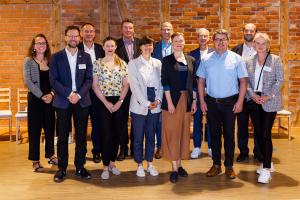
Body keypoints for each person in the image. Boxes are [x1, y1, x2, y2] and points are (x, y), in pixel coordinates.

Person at [197, 29, 248, 179]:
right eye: (217, 39)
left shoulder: (236, 59)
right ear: (213, 41)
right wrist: (201, 101)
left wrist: (240, 101)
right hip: (212, 102)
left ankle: (229, 166)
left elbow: (243, 81)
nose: (220, 42)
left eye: (223, 39)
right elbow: (201, 81)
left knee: (229, 136)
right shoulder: (206, 59)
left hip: (230, 103)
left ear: (228, 41)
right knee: (214, 135)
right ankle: (216, 165)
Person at [50, 25, 93, 183]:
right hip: (63, 100)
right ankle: (61, 168)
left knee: (81, 136)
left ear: (79, 38)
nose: (73, 39)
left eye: (76, 36)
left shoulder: (86, 57)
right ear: (65, 37)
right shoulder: (56, 57)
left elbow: (89, 79)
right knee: (62, 137)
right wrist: (69, 94)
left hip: (82, 101)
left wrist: (79, 94)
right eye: (70, 36)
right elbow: (53, 80)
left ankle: (80, 167)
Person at [245, 33, 283, 183]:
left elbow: (280, 80)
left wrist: (269, 96)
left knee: (266, 133)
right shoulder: (248, 61)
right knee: (259, 133)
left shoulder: (275, 60)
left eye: (263, 43)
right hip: (254, 100)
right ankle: (267, 161)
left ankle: (266, 169)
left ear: (268, 45)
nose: (260, 46)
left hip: (269, 101)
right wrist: (252, 94)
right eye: (258, 43)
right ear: (254, 44)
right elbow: (245, 81)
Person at [161, 32, 197, 183]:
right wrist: (169, 102)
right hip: (172, 102)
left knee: (183, 133)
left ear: (184, 42)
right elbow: (165, 82)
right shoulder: (167, 60)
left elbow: (194, 83)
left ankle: (180, 165)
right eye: (176, 41)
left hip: (186, 101)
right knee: (172, 134)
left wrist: (194, 101)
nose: (179, 43)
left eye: (181, 41)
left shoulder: (191, 59)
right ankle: (174, 168)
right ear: (172, 42)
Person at [93, 36, 129, 180]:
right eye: (107, 45)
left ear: (115, 47)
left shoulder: (122, 63)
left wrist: (120, 101)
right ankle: (105, 165)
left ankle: (113, 163)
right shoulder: (97, 63)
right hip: (102, 101)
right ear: (103, 47)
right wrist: (106, 103)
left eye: (112, 46)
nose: (110, 48)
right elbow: (95, 85)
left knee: (116, 133)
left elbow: (126, 84)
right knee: (105, 133)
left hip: (119, 101)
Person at [128, 36, 163, 177]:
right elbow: (134, 87)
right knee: (138, 136)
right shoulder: (133, 63)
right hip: (139, 104)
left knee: (151, 136)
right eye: (145, 46)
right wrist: (147, 103)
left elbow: (161, 84)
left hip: (155, 104)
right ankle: (139, 165)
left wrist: (158, 101)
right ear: (140, 48)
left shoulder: (158, 63)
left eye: (150, 45)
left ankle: (150, 163)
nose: (148, 48)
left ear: (152, 48)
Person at [23, 33, 57, 172]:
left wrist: (52, 94)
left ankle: (51, 155)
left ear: (46, 46)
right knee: (34, 131)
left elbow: (56, 80)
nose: (41, 45)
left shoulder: (51, 61)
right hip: (35, 101)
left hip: (50, 100)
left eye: (43, 43)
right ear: (34, 46)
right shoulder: (28, 61)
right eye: (38, 43)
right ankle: (35, 160)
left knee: (50, 129)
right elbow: (28, 81)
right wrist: (42, 95)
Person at [232, 23, 263, 163]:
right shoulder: (235, 50)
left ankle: (258, 152)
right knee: (242, 126)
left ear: (256, 32)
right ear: (243, 32)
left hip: (257, 95)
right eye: (246, 30)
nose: (249, 32)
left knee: (259, 125)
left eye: (252, 30)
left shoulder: (262, 49)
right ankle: (243, 152)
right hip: (241, 95)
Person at [78, 22, 105, 163]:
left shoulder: (101, 49)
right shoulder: (76, 49)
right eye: (86, 31)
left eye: (91, 31)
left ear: (94, 34)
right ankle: (81, 153)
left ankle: (97, 151)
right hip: (82, 93)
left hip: (97, 93)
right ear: (81, 34)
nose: (89, 34)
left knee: (97, 123)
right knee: (81, 124)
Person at [115, 18, 141, 160]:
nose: (128, 30)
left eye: (130, 28)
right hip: (122, 87)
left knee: (137, 117)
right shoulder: (116, 45)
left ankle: (135, 148)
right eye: (125, 28)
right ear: (122, 29)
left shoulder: (140, 43)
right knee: (122, 119)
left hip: (138, 87)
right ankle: (123, 148)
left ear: (133, 29)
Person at [189, 28, 213, 159]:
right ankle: (197, 147)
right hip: (197, 94)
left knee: (211, 120)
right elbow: (192, 76)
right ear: (197, 38)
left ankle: (210, 146)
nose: (203, 38)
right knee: (197, 120)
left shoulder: (215, 53)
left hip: (212, 93)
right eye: (200, 36)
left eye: (205, 36)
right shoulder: (192, 55)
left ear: (208, 38)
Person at [152, 21, 173, 159]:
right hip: (159, 87)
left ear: (172, 31)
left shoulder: (178, 45)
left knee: (172, 119)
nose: (166, 32)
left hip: (173, 88)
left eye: (169, 29)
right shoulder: (155, 47)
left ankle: (172, 146)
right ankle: (159, 146)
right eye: (164, 29)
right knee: (159, 120)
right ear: (161, 31)